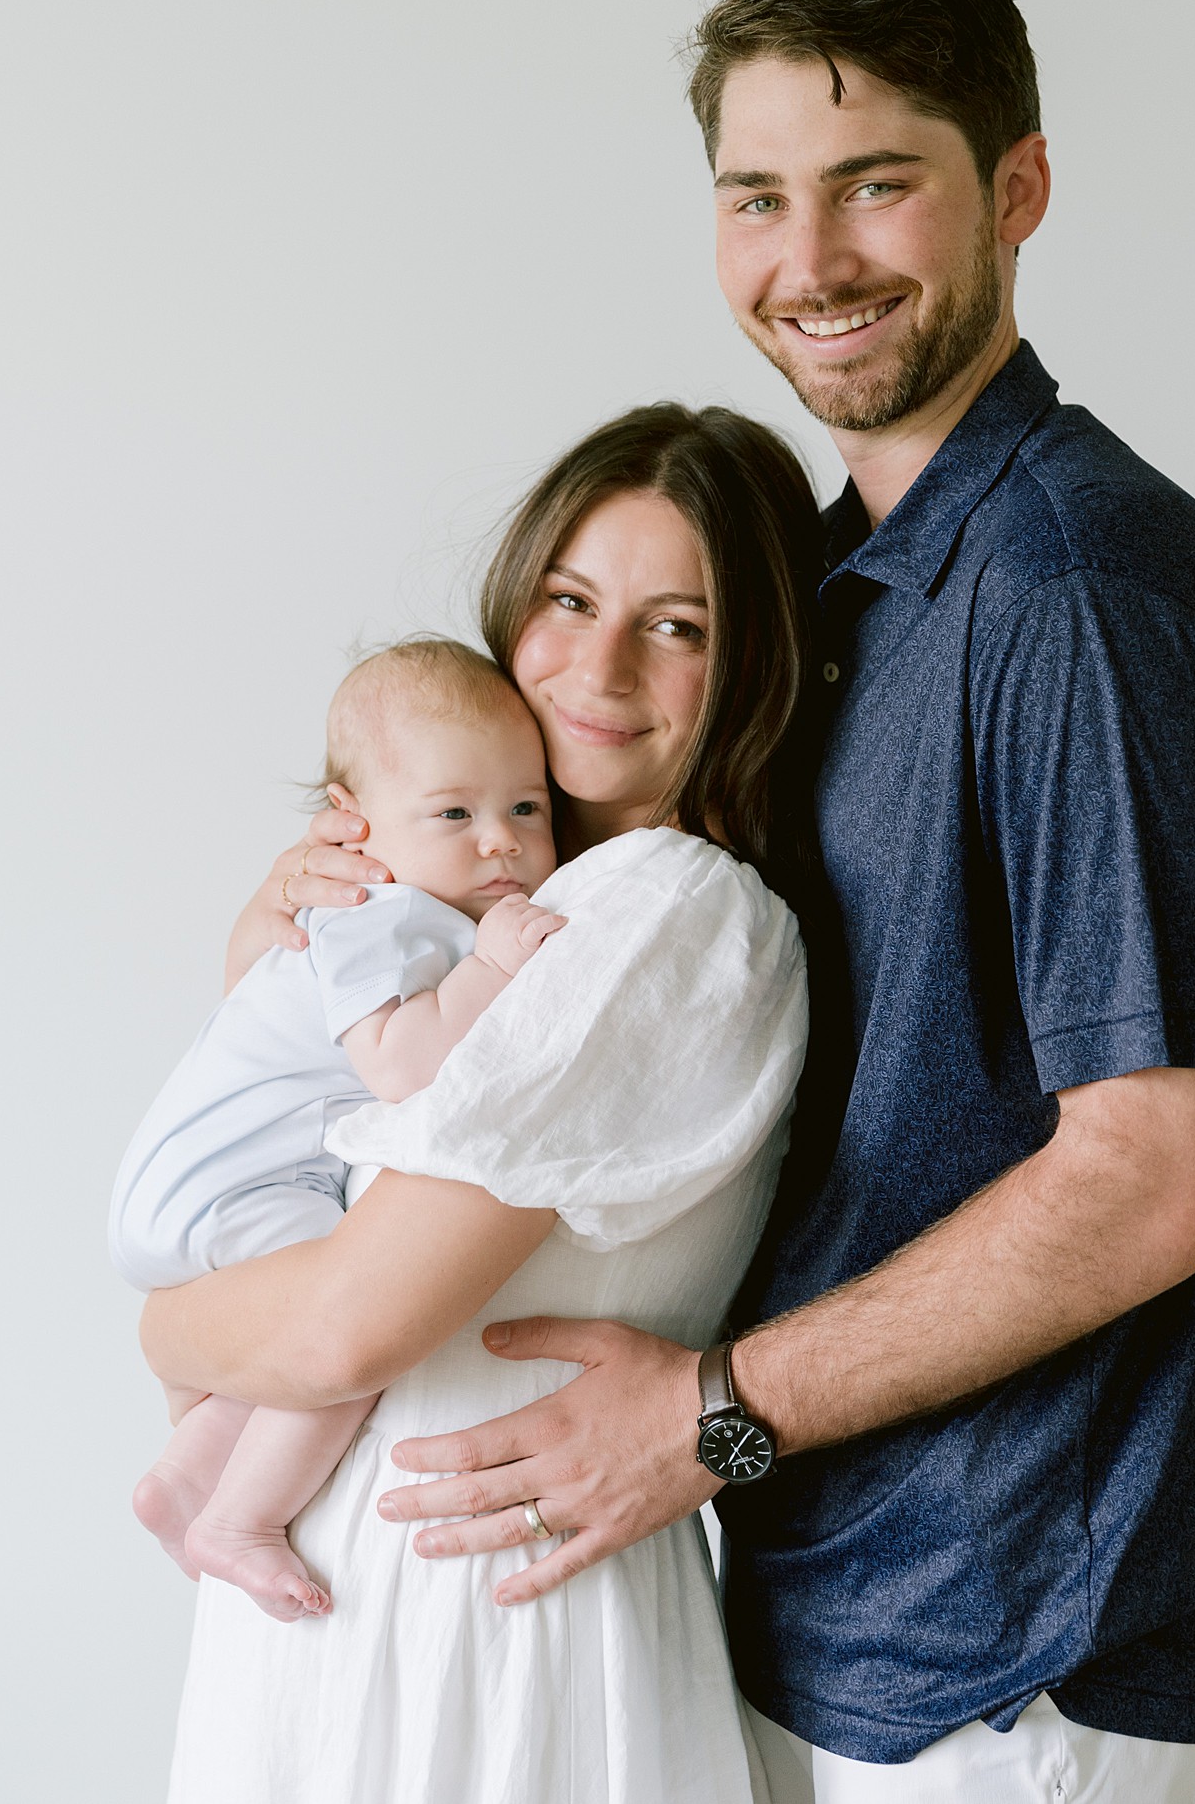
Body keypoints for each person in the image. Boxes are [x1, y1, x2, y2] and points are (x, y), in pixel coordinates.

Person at [345, 0, 1195, 1803]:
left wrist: (709, 1416)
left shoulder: (1071, 581)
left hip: (1011, 1649)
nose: (809, 261)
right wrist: (360, 892)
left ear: (1016, 187)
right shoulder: (854, 594)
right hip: (829, 1608)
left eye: (877, 185)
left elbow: (1163, 1173)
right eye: (756, 196)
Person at [136, 401, 824, 1803]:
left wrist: (164, 1321)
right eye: (570, 599)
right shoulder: (499, 895)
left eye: (679, 625)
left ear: (751, 665)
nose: (601, 662)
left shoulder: (663, 911)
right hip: (366, 1584)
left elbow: (347, 1319)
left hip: (478, 1618)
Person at [110, 639, 566, 1621]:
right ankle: (241, 1521)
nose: (500, 841)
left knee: (294, 1339)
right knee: (349, 1328)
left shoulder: (393, 913)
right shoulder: (377, 912)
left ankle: (186, 1477)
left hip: (207, 1180)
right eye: (455, 814)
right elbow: (403, 1066)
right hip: (227, 1186)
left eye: (525, 808)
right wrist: (490, 970)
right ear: (353, 823)